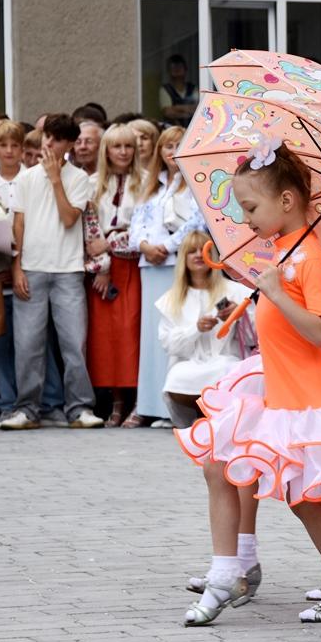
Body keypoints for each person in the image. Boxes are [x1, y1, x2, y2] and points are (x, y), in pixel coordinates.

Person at [177, 140, 321, 625]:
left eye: (250, 207)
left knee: (309, 494)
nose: (245, 218)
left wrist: (274, 291)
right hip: (280, 386)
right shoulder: (281, 250)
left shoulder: (308, 256)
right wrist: (249, 278)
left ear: (287, 202)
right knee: (272, 481)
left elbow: (320, 331)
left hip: (308, 395)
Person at [0, 114, 105, 431]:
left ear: (70, 144)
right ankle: (27, 409)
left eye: (57, 139)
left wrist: (56, 179)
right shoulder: (25, 178)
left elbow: (70, 218)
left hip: (68, 270)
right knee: (28, 345)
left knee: (74, 344)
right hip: (31, 267)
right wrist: (16, 267)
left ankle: (80, 408)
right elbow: (18, 224)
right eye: (47, 137)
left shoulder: (79, 178)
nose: (49, 144)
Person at [0, 120, 66, 428]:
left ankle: (50, 401)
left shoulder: (34, 177)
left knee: (36, 342)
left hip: (31, 269)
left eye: (16, 146)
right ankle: (7, 401)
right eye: (3, 145)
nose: (10, 151)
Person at [130, 126, 202, 426]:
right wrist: (145, 246)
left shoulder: (195, 184)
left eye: (178, 145)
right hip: (151, 266)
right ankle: (149, 405)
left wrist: (168, 246)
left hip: (176, 263)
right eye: (167, 146)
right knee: (152, 336)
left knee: (175, 330)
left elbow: (198, 222)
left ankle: (173, 407)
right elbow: (137, 223)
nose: (172, 151)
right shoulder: (153, 185)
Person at [158, 230, 253, 427]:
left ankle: (216, 417)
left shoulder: (235, 291)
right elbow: (170, 345)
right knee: (177, 376)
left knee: (227, 370)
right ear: (183, 258)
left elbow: (256, 337)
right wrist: (195, 329)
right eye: (192, 251)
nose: (199, 255)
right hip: (190, 362)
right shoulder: (170, 300)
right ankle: (199, 415)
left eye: (204, 250)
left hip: (226, 358)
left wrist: (240, 315)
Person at [83, 123, 144, 427]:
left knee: (132, 333)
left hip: (134, 267)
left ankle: (136, 401)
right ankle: (116, 402)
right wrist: (102, 264)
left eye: (128, 146)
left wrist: (109, 243)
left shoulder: (146, 183)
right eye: (116, 146)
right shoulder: (93, 183)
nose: (122, 152)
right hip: (103, 271)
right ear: (106, 150)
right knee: (106, 337)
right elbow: (90, 229)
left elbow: (143, 230)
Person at [159, 55, 199, 126]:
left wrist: (176, 108)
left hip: (192, 127)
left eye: (179, 66)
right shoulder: (165, 89)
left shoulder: (193, 88)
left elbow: (198, 109)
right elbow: (168, 112)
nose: (177, 69)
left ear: (185, 69)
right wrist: (189, 111)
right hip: (172, 130)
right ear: (169, 71)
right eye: (173, 67)